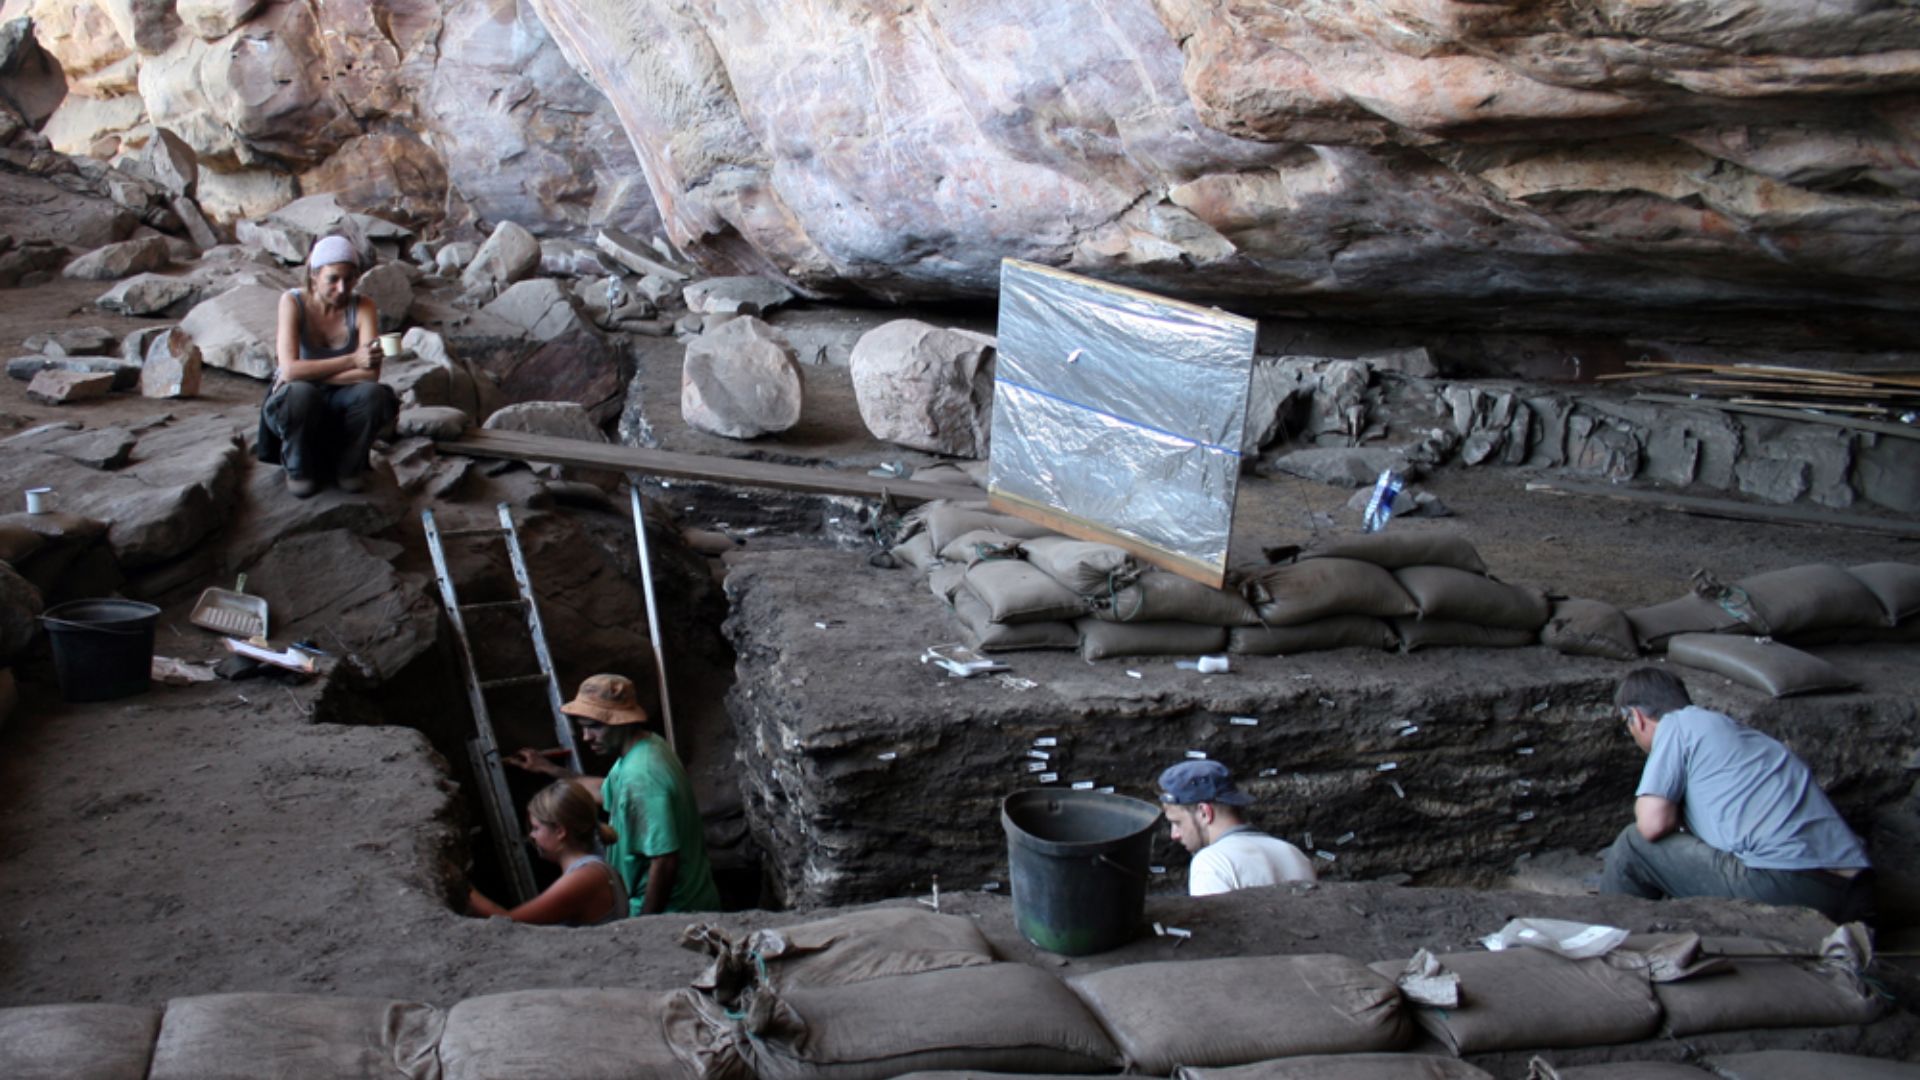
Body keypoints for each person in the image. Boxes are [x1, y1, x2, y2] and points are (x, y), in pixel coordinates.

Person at [1600, 666, 1873, 923]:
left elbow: (1652, 824)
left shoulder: (1676, 725)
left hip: (1787, 885)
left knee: (1632, 845)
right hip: (1855, 889)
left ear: (1636, 717)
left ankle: (1602, 939)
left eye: (1627, 726)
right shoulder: (1737, 736)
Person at [506, 673, 721, 915]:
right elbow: (606, 791)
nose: (586, 737)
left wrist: (646, 925)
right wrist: (548, 768)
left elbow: (664, 861)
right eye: (583, 727)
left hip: (676, 911)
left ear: (623, 722)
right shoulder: (647, 747)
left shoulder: (641, 776)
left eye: (595, 727)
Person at [261, 234, 398, 498]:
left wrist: (307, 373)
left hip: (342, 396)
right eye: (333, 279)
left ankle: (350, 467)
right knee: (299, 395)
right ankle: (299, 468)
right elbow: (288, 369)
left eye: (349, 279)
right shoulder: (292, 302)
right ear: (314, 275)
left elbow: (370, 375)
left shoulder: (363, 306)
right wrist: (352, 360)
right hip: (303, 398)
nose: (342, 288)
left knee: (374, 395)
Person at [468, 779, 628, 926]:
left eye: (536, 828)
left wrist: (462, 885)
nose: (532, 835)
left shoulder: (583, 878)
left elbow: (508, 922)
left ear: (559, 831)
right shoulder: (594, 870)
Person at [1157, 760, 1316, 895]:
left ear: (1204, 813)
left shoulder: (1211, 863)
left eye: (1177, 823)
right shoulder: (1294, 854)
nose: (1174, 835)